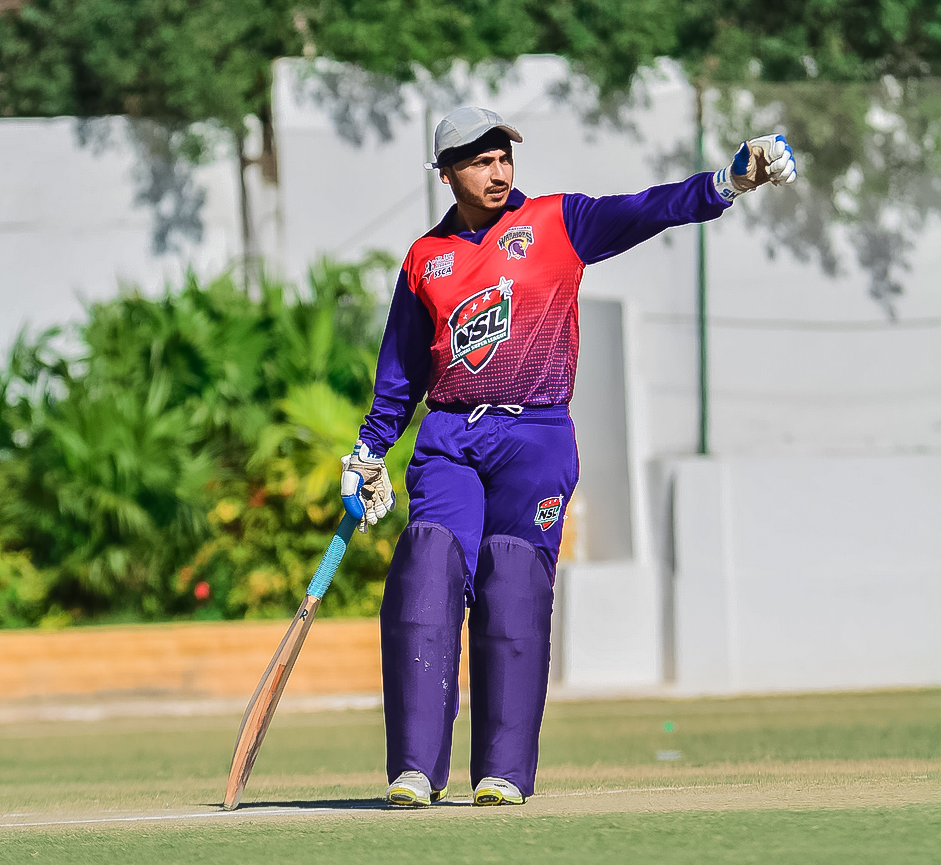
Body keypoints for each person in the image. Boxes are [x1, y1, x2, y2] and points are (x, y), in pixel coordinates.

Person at [340, 106, 796, 807]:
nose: (497, 171)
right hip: (450, 437)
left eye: (503, 157)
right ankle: (414, 769)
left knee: (512, 590)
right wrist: (368, 450)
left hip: (537, 436)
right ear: (446, 174)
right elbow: (400, 372)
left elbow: (646, 209)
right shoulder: (425, 258)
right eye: (479, 161)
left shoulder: (559, 221)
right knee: (426, 569)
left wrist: (726, 182)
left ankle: (501, 773)